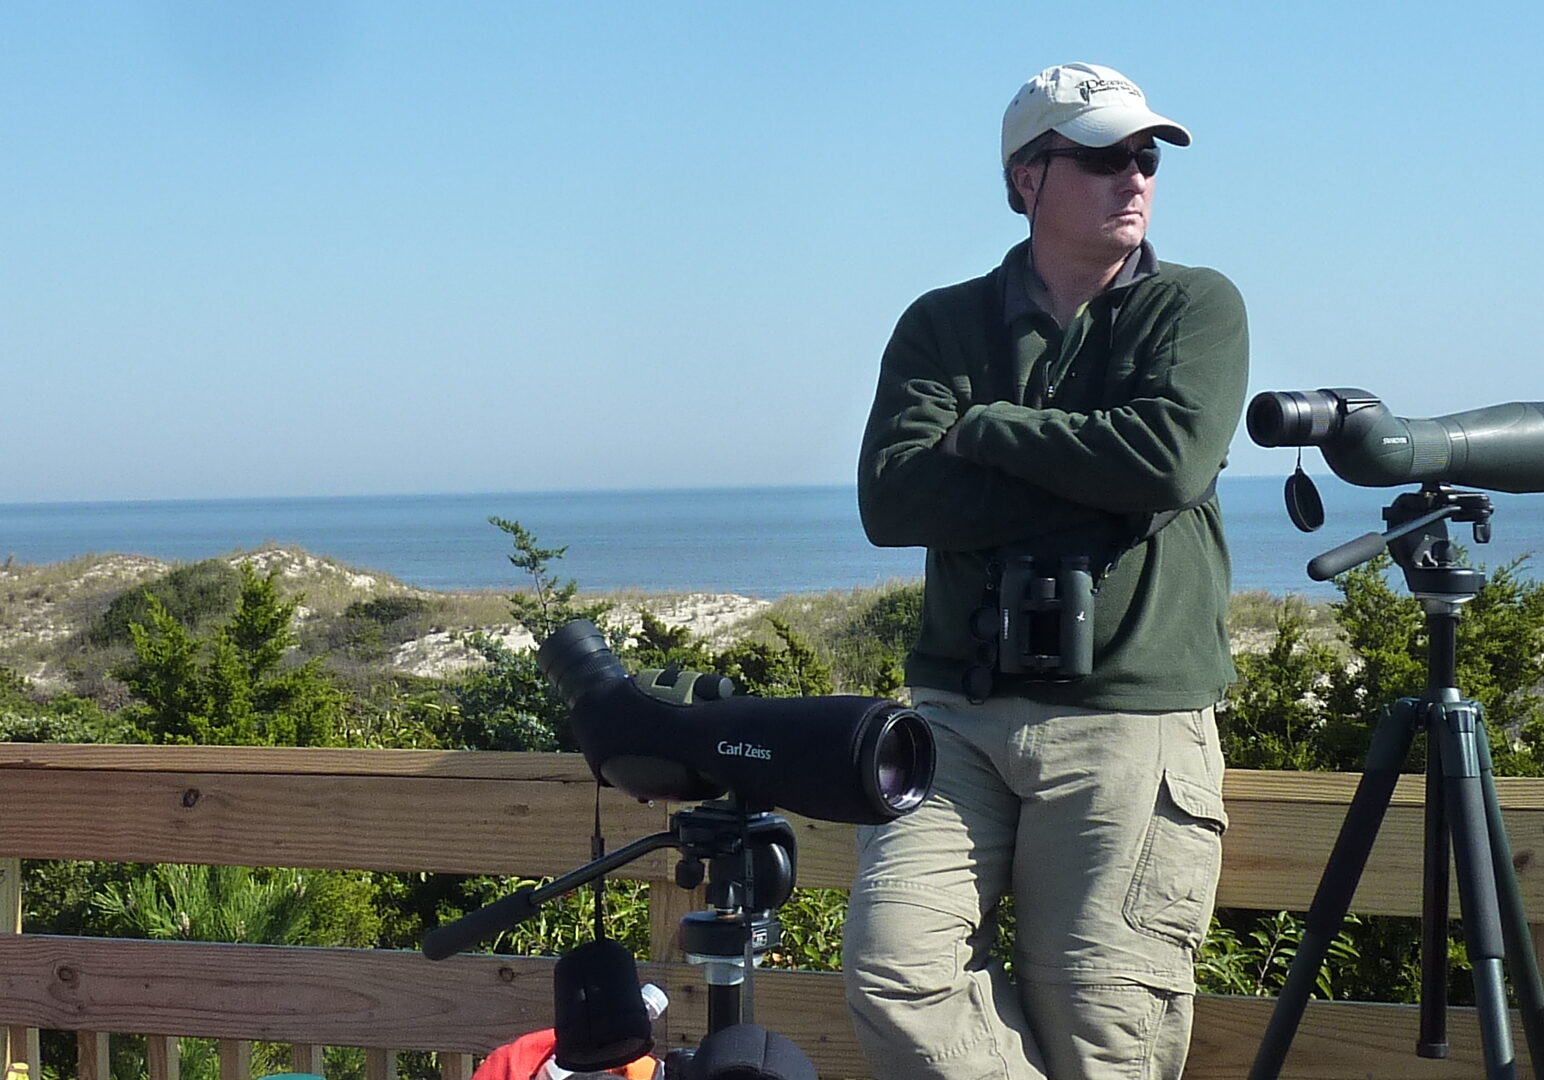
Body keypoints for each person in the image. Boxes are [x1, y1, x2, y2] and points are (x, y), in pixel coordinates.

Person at [842, 62, 1249, 1080]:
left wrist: (985, 430)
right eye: (1105, 156)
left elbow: (1167, 463)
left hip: (1130, 720)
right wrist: (1104, 475)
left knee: (1107, 1027)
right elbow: (894, 501)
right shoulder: (943, 323)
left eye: (1145, 158)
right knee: (895, 976)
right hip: (955, 712)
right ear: (1026, 178)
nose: (1136, 178)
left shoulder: (1193, 308)